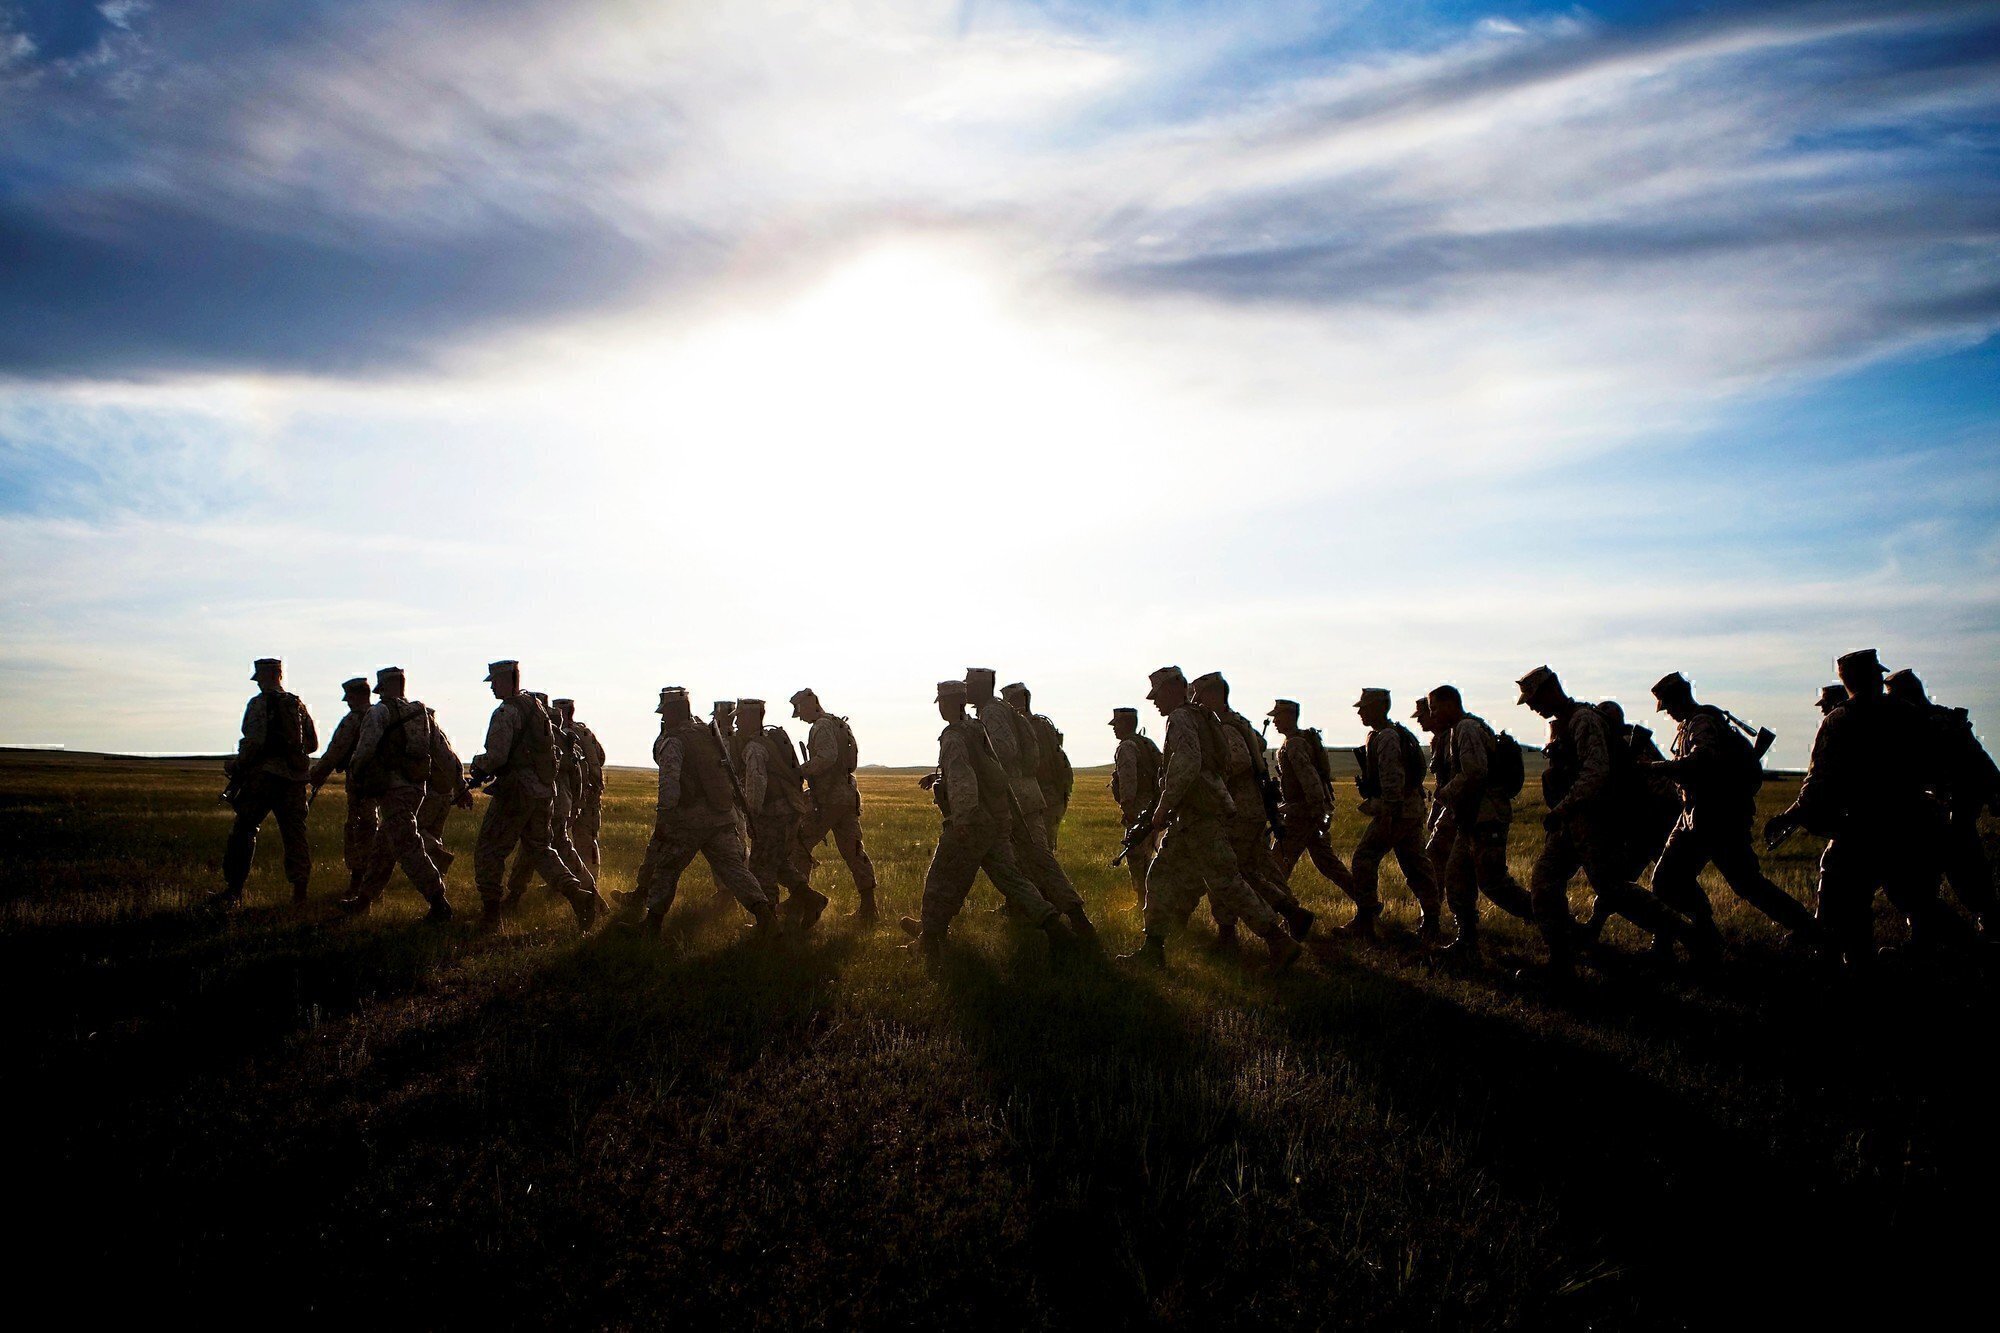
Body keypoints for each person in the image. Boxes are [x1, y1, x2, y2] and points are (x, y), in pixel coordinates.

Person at [1766, 651, 1968, 966]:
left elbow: (1817, 781)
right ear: (1873, 676)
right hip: (1910, 820)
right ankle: (1975, 948)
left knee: (1846, 894)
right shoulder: (1908, 713)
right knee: (1915, 898)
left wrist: (1789, 815)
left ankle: (1857, 962)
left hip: (1862, 825)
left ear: (1846, 680)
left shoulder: (1840, 719)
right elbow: (1936, 764)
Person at [1518, 666, 1701, 978]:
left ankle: (1689, 935)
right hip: (1572, 822)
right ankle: (1560, 961)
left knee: (1612, 889)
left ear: (1550, 690)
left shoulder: (1583, 720)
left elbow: (1596, 773)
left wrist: (1563, 808)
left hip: (1593, 821)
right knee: (1545, 882)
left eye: (1534, 698)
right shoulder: (1566, 723)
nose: (1532, 706)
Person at [1118, 666, 1302, 973]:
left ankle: (1279, 941)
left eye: (1157, 694)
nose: (1155, 702)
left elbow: (1187, 763)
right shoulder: (1202, 716)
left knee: (1226, 882)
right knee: (1163, 876)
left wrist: (1163, 807)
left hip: (1196, 817)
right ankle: (1153, 947)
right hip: (1194, 816)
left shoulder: (1180, 718)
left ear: (1172, 689)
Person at [900, 681, 1077, 973]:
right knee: (1012, 880)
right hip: (994, 819)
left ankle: (929, 942)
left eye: (942, 703)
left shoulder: (954, 736)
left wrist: (963, 819)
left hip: (973, 821)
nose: (941, 708)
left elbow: (964, 778)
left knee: (940, 879)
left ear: (948, 704)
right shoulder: (976, 729)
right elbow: (988, 772)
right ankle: (1056, 929)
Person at [1640, 673, 1819, 955]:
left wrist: (1656, 768)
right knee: (1668, 879)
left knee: (1745, 883)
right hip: (1696, 816)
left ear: (1678, 700)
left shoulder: (1700, 723)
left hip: (1715, 818)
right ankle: (1695, 936)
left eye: (1668, 706)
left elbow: (1703, 759)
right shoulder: (1694, 723)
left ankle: (1808, 928)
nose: (1668, 713)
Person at [614, 688, 779, 938]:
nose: (663, 718)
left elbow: (669, 784)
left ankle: (652, 925)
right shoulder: (707, 733)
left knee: (666, 868)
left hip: (689, 819)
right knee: (734, 870)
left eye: (665, 713)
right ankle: (765, 917)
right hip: (721, 815)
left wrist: (665, 818)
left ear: (673, 712)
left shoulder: (674, 741)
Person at [966, 667, 1098, 942]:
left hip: (1015, 798)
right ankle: (1043, 914)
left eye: (969, 683)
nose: (966, 688)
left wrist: (978, 760)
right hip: (1020, 795)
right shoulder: (999, 710)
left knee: (1039, 859)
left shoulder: (992, 712)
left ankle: (1075, 919)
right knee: (1026, 859)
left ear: (981, 686)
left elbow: (1004, 750)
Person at [469, 661, 598, 934]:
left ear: (508, 680)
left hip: (515, 793)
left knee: (489, 851)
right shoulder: (537, 708)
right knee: (541, 849)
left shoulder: (505, 712)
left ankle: (491, 917)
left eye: (495, 682)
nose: (492, 687)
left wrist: (478, 765)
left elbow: (496, 756)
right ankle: (578, 895)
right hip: (543, 792)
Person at [1192, 672, 1315, 945]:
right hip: (1252, 809)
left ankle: (1229, 932)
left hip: (1238, 811)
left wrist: (1208, 775)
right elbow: (1258, 744)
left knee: (1227, 871)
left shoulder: (1223, 726)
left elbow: (1239, 760)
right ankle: (1293, 913)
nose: (1195, 703)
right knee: (1257, 869)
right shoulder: (1238, 722)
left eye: (1198, 697)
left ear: (1213, 695)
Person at [1426, 686, 1536, 967]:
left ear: (1450, 704)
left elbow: (1475, 772)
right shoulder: (1458, 730)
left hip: (1486, 818)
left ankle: (1552, 921)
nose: (1432, 714)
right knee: (1456, 877)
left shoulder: (1466, 729)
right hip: (1471, 820)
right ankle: (1466, 941)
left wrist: (1445, 794)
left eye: (1435, 707)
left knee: (1494, 883)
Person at [1887, 667, 1998, 937]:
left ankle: (1978, 935)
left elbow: (1977, 760)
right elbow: (1980, 760)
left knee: (1938, 879)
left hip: (1940, 814)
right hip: (1949, 812)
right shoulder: (1948, 719)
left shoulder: (1912, 724)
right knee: (1952, 878)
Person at [337, 667, 451, 920]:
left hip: (392, 789)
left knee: (408, 846)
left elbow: (365, 749)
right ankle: (364, 900)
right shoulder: (421, 713)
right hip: (417, 789)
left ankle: (438, 901)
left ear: (384, 687)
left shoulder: (380, 712)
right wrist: (457, 784)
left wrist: (356, 775)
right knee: (383, 847)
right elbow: (442, 750)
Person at [216, 657, 318, 907]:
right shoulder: (297, 704)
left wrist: (236, 766)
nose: (258, 683)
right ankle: (300, 893)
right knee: (295, 835)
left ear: (266, 677)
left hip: (263, 780)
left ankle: (234, 891)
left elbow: (253, 743)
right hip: (294, 781)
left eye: (259, 678)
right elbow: (313, 744)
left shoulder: (258, 704)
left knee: (244, 829)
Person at [1349, 687, 1443, 945]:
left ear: (1379, 708)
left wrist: (1389, 812)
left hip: (1397, 811)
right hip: (1408, 809)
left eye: (1365, 708)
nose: (1360, 712)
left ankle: (1366, 919)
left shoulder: (1387, 737)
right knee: (1415, 864)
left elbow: (1393, 777)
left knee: (1364, 858)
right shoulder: (1390, 734)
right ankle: (1431, 920)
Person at [736, 697, 828, 933]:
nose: (736, 722)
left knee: (762, 867)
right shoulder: (769, 741)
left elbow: (756, 785)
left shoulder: (755, 748)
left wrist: (752, 815)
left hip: (772, 815)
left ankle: (768, 923)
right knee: (779, 863)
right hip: (789, 811)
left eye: (740, 717)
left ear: (750, 718)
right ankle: (812, 900)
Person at [501, 691, 599, 908]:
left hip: (547, 802)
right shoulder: (568, 736)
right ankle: (589, 893)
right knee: (542, 849)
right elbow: (584, 769)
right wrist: (576, 804)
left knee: (543, 848)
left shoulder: (546, 737)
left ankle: (588, 895)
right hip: (560, 803)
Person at [790, 688, 880, 919]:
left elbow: (826, 758)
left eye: (799, 712)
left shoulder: (821, 727)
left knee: (800, 844)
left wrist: (800, 771)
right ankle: (869, 907)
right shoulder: (839, 724)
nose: (800, 718)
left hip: (828, 798)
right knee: (854, 850)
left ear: (808, 706)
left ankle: (801, 903)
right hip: (846, 796)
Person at [1267, 699, 1362, 911]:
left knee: (1276, 866)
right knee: (1328, 864)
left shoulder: (1294, 745)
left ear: (1290, 717)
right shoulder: (1299, 741)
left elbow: (1309, 779)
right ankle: (1367, 903)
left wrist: (1316, 811)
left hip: (1301, 816)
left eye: (1278, 717)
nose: (1274, 722)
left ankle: (1289, 914)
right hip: (1309, 814)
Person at [308, 676, 378, 897]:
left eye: (349, 697)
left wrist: (317, 774)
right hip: (384, 783)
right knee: (375, 829)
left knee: (358, 830)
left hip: (360, 783)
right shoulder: (381, 715)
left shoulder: (354, 719)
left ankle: (359, 885)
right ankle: (372, 884)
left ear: (357, 696)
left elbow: (335, 751)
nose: (347, 701)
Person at [1001, 681, 1075, 849]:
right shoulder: (1043, 724)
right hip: (1053, 794)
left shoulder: (1023, 727)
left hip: (1037, 796)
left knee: (1035, 849)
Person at [1109, 706, 1161, 910]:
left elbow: (1128, 780)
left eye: (1116, 724)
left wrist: (1128, 807)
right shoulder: (1146, 743)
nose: (1114, 728)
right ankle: (1149, 900)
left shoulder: (1126, 747)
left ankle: (1143, 902)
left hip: (1138, 806)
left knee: (1136, 855)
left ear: (1126, 724)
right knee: (1147, 853)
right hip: (1153, 803)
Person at [554, 699, 607, 878]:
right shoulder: (585, 732)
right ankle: (590, 880)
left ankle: (577, 881)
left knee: (561, 839)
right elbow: (601, 757)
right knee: (587, 840)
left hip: (573, 794)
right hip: (592, 792)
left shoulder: (562, 735)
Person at [417, 710, 474, 872]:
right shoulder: (442, 740)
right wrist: (461, 790)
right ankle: (437, 874)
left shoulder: (423, 739)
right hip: (445, 795)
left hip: (430, 794)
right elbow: (456, 764)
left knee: (413, 830)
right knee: (434, 834)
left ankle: (438, 855)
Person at [1415, 696, 1455, 886]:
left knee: (1434, 855)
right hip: (1447, 805)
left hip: (1457, 807)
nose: (1418, 720)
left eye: (1421, 715)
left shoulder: (1451, 737)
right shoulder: (1438, 740)